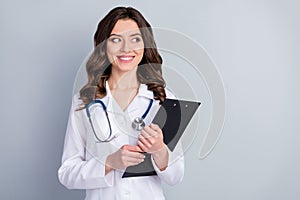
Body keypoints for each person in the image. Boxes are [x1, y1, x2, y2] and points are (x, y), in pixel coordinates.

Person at [58, 6, 184, 200]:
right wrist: (109, 162)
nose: (126, 48)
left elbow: (176, 176)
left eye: (135, 39)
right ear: (103, 46)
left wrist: (159, 149)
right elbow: (66, 173)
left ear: (145, 45)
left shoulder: (166, 100)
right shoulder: (84, 102)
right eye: (116, 39)